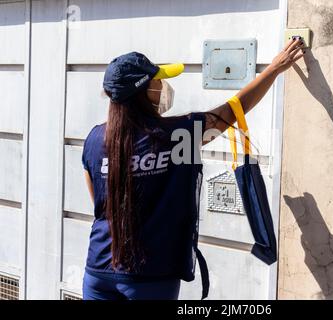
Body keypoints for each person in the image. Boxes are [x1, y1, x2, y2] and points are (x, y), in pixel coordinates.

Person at [81, 38, 305, 300]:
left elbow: (99, 205)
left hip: (98, 271)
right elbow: (233, 110)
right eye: (156, 81)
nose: (161, 86)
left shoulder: (94, 139)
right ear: (143, 92)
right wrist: (274, 68)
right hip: (151, 276)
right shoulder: (178, 135)